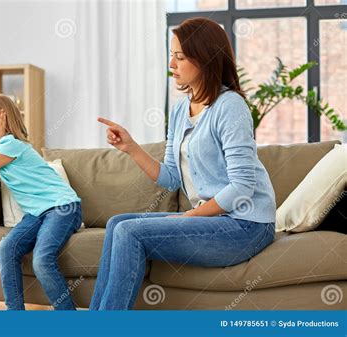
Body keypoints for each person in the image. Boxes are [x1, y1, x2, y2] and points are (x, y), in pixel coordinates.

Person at [89, 17, 276, 310]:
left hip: (246, 225)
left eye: (180, 57)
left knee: (129, 231)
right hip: (213, 219)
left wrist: (190, 216)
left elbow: (242, 186)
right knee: (117, 224)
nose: (171, 65)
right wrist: (131, 147)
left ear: (204, 59)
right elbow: (171, 178)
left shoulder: (230, 107)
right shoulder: (179, 111)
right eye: (171, 56)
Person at [0, 93, 82, 310]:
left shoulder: (9, 145)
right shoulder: (4, 146)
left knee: (42, 260)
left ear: (1, 119)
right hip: (38, 212)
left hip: (62, 208)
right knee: (6, 248)